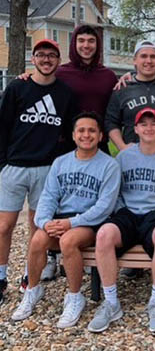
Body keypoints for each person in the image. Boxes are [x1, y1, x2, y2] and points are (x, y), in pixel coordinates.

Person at [19, 25, 118, 281]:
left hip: (97, 140)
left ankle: (84, 248)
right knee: (60, 197)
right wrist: (26, 78)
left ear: (97, 45)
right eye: (81, 41)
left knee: (91, 193)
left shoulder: (107, 75)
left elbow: (116, 102)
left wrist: (125, 80)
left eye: (91, 41)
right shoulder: (62, 72)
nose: (86, 45)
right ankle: (52, 257)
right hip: (64, 143)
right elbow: (41, 84)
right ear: (74, 45)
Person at [87, 107, 155, 333]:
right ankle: (111, 302)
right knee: (104, 234)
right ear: (135, 129)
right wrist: (119, 209)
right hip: (128, 213)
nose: (149, 128)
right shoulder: (124, 156)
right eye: (143, 124)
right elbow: (113, 190)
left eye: (153, 123)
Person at [11, 112, 120, 327]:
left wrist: (71, 223)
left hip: (91, 222)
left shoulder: (109, 165)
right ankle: (32, 290)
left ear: (100, 136)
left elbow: (104, 207)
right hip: (62, 219)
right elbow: (48, 196)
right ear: (73, 135)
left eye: (91, 131)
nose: (86, 135)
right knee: (37, 239)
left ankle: (74, 296)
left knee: (68, 241)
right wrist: (44, 222)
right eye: (81, 130)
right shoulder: (61, 162)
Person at [0, 39, 76, 305]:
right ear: (33, 59)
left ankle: (27, 276)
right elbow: (3, 127)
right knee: (4, 226)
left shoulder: (65, 94)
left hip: (45, 169)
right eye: (41, 55)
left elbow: (68, 135)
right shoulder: (17, 87)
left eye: (52, 55)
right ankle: (0, 278)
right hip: (14, 167)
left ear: (59, 60)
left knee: (36, 227)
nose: (46, 59)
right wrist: (2, 163)